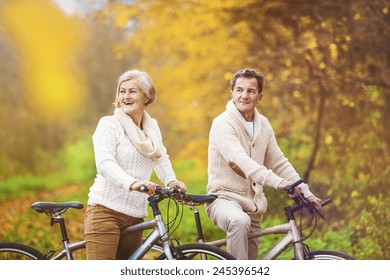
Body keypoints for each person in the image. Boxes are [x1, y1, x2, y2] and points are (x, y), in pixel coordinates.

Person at [206, 68, 322, 260]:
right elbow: (242, 161)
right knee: (239, 221)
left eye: (251, 91)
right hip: (223, 200)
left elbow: (279, 163)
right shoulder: (222, 124)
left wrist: (307, 193)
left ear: (259, 96)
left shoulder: (263, 125)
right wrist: (279, 183)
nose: (244, 96)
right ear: (232, 93)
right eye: (239, 90)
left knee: (252, 262)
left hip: (254, 207)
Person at [84, 69, 186, 260]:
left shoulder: (151, 127)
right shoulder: (109, 124)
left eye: (132, 91)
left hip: (135, 215)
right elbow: (105, 164)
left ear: (146, 96)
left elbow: (160, 157)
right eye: (122, 91)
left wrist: (172, 181)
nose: (126, 96)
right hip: (106, 212)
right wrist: (132, 183)